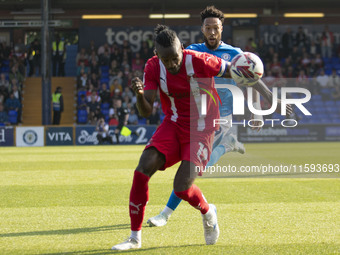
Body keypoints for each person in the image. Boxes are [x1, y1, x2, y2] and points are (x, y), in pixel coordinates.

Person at [111, 24, 289, 251]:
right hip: (173, 124)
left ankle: (208, 211)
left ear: (182, 49)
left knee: (182, 188)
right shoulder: (153, 67)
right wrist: (138, 95)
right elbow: (146, 111)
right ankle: (135, 238)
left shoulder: (201, 60)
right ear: (157, 56)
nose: (172, 64)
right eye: (166, 60)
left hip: (203, 128)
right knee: (142, 168)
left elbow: (242, 72)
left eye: (175, 57)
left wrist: (273, 100)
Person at [147, 5, 262, 228]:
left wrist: (256, 110)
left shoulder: (235, 54)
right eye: (207, 28)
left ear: (222, 29)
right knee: (195, 167)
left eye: (215, 28)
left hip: (222, 116)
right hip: (196, 117)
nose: (211, 32)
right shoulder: (190, 52)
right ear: (202, 28)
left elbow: (251, 80)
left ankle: (165, 214)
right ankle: (228, 144)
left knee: (192, 169)